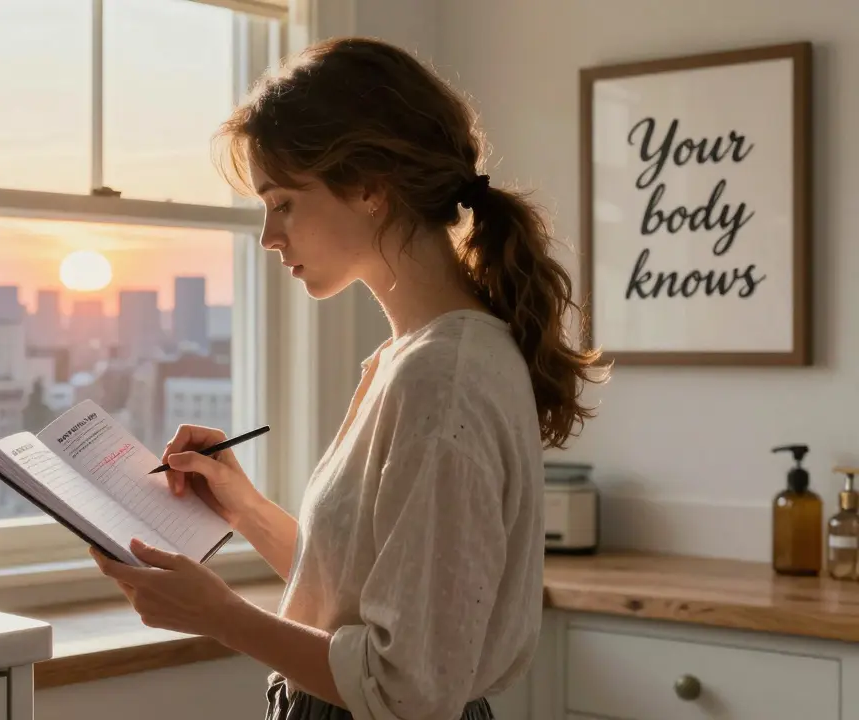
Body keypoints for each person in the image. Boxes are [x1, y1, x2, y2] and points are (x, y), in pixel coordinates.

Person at [90, 36, 606, 720]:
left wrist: (220, 615)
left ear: (369, 187)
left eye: (284, 203)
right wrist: (243, 505)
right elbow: (364, 596)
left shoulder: (441, 381)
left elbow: (407, 687)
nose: (269, 237)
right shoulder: (409, 359)